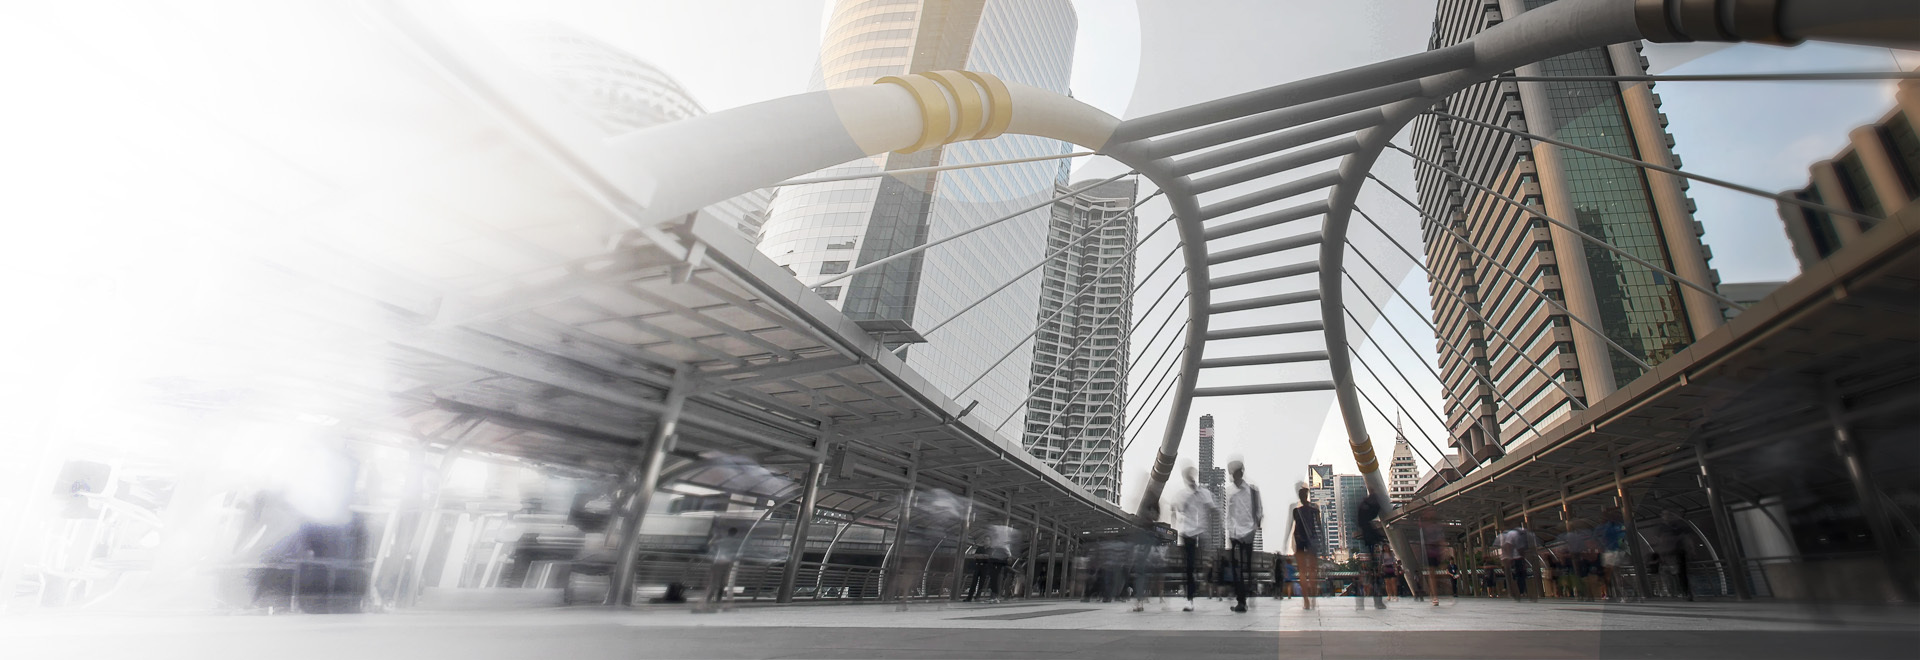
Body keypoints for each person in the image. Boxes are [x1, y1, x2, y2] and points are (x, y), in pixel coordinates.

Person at [1171, 467, 1218, 611]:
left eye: (1192, 475)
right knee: (1189, 567)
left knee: (1202, 564)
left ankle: (1202, 578)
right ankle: (1189, 599)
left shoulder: (1204, 493)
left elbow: (1213, 509)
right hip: (1187, 533)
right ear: (1185, 478)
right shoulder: (1182, 494)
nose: (1190, 478)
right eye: (1187, 476)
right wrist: (1175, 524)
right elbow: (1175, 509)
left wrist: (1211, 527)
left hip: (1201, 532)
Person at [1223, 460, 1263, 613]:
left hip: (1248, 532)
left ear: (1241, 472)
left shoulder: (1253, 491)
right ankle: (1241, 601)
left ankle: (1250, 590)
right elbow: (1229, 513)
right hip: (1234, 534)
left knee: (1247, 567)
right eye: (1232, 474)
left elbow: (1259, 510)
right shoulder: (1230, 492)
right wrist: (1229, 531)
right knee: (1236, 569)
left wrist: (1254, 527)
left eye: (1236, 473)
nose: (1234, 476)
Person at [1652, 510, 1695, 601]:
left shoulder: (1675, 526)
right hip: (1670, 553)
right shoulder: (1669, 527)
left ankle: (1684, 592)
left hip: (1676, 552)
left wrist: (1690, 549)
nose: (1667, 517)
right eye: (1665, 515)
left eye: (1668, 514)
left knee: (1680, 573)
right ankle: (1682, 592)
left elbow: (1685, 538)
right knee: (1677, 573)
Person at [1355, 498, 1388, 609]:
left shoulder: (1365, 526)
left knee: (1367, 579)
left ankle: (1362, 603)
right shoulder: (1368, 528)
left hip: (1368, 563)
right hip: (1370, 563)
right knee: (1372, 579)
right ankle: (1376, 601)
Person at [1499, 521, 1536, 602]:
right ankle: (1530, 592)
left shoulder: (1511, 533)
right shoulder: (1528, 533)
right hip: (1528, 557)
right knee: (1526, 575)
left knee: (1517, 576)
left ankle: (1519, 592)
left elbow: (1508, 545)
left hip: (1517, 557)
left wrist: (1509, 557)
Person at [1418, 509, 1445, 606]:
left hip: (1435, 550)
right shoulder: (1424, 525)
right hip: (1429, 551)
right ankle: (1434, 595)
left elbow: (1441, 539)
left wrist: (1442, 550)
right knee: (1432, 574)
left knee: (1436, 574)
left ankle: (1434, 594)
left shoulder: (1437, 526)